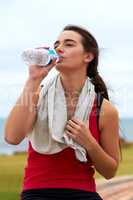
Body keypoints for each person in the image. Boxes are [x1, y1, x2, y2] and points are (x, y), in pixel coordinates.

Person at [5, 25, 120, 200]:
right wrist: (34, 78)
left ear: (88, 56)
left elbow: (110, 171)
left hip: (82, 194)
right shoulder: (36, 94)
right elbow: (12, 137)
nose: (59, 48)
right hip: (36, 194)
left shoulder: (105, 110)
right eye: (57, 44)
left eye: (69, 44)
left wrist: (89, 143)